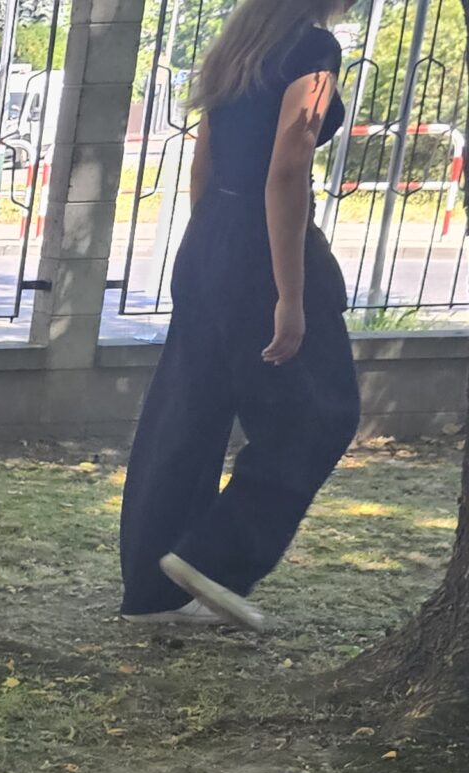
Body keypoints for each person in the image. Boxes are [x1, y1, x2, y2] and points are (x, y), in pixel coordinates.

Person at [118, 0, 359, 631]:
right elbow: (288, 167)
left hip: (211, 238)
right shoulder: (314, 51)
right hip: (263, 247)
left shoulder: (236, 49)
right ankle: (214, 559)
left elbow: (205, 160)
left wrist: (210, 245)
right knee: (321, 412)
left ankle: (152, 592)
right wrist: (289, 293)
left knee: (188, 414)